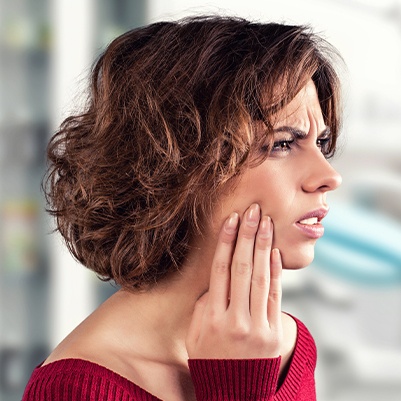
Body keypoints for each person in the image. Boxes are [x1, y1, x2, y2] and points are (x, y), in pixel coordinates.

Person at [22, 15, 343, 401]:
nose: (328, 176)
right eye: (283, 144)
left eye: (320, 143)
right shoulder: (75, 391)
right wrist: (237, 388)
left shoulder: (288, 347)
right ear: (179, 166)